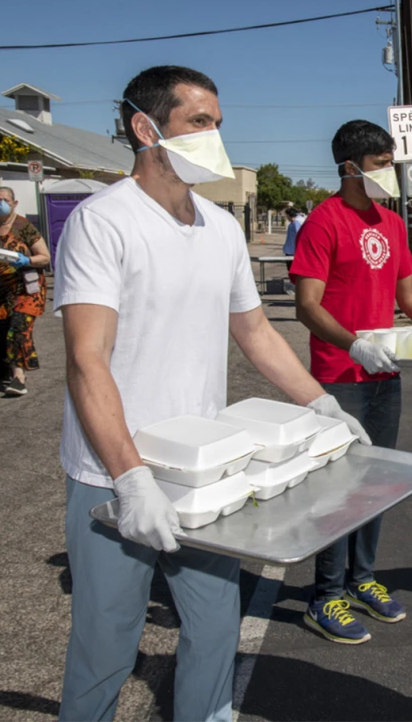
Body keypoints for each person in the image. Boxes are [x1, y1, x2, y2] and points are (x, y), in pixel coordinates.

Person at [54, 65, 369, 722]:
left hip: (207, 469)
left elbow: (255, 331)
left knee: (214, 629)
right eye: (199, 123)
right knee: (106, 649)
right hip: (115, 476)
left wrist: (321, 404)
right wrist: (130, 477)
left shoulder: (221, 228)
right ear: (146, 128)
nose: (214, 136)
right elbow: (88, 359)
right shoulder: (102, 222)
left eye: (218, 124)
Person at [289, 119, 412, 644]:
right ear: (350, 167)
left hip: (383, 376)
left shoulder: (392, 225)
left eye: (390, 163)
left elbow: (411, 297)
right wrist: (354, 345)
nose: (388, 173)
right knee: (335, 491)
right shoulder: (324, 221)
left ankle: (361, 578)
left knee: (376, 486)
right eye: (380, 165)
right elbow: (307, 305)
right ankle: (324, 596)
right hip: (338, 379)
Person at [0, 186, 50, 396]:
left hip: (26, 288)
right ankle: (16, 369)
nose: (1, 203)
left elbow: (45, 256)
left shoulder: (24, 226)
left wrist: (27, 260)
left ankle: (18, 378)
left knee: (18, 327)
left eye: (5, 200)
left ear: (14, 203)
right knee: (5, 330)